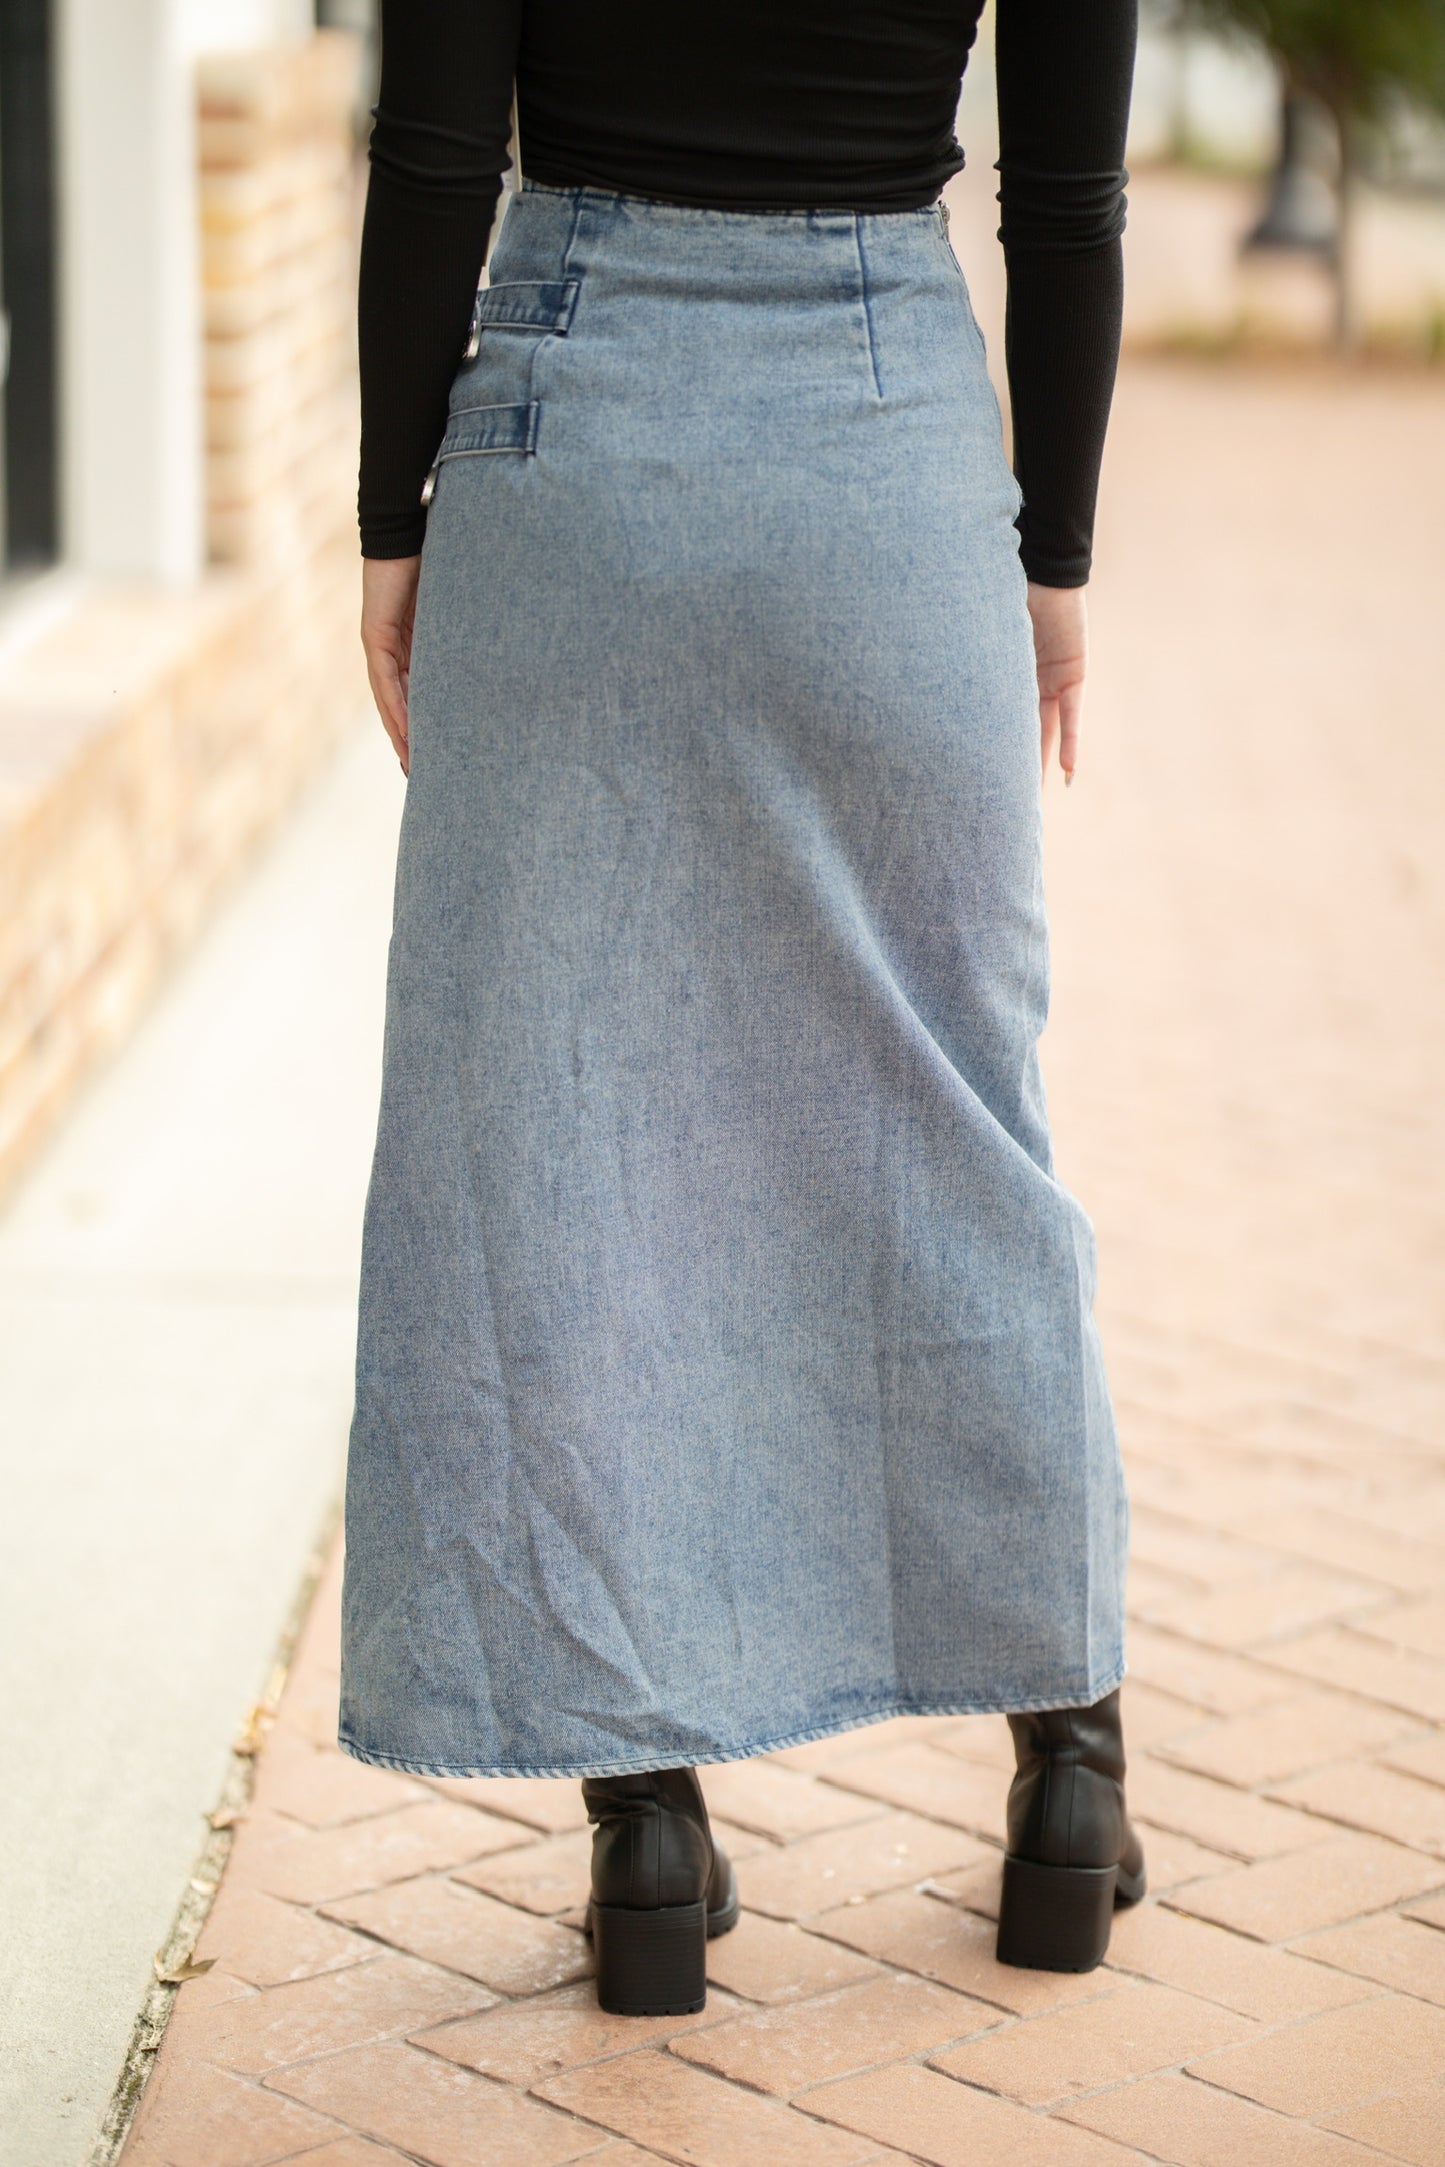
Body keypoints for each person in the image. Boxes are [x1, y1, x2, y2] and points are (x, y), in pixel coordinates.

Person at [345, 0, 1144, 2014]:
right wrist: (1049, 554)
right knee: (962, 1106)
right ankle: (1067, 1765)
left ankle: (648, 1825)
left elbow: (433, 143)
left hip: (575, 413)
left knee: (577, 1119)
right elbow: (1067, 194)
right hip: (880, 443)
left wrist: (389, 520)